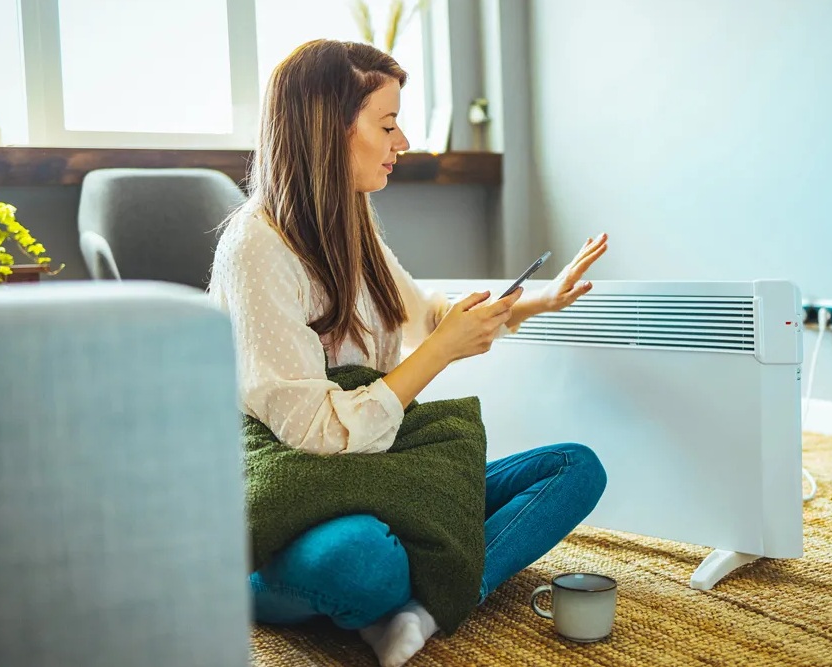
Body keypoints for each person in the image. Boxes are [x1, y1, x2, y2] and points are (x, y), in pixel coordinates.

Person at [208, 39, 609, 667]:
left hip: (377, 471)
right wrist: (440, 356)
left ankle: (426, 608)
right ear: (326, 130)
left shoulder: (353, 226)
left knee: (575, 467)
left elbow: (424, 314)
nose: (404, 142)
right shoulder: (255, 248)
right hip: (293, 486)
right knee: (363, 561)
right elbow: (314, 433)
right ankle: (285, 584)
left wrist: (540, 301)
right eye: (388, 124)